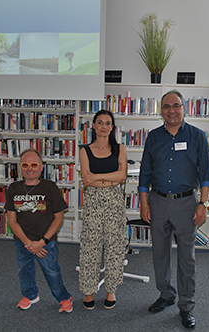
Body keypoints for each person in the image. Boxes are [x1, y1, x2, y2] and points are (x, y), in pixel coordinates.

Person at [138, 90, 209, 329]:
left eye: (176, 106)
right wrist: (143, 203)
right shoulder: (153, 137)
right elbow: (144, 173)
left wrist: (203, 204)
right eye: (166, 107)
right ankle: (166, 295)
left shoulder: (197, 136)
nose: (171, 110)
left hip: (186, 204)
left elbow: (206, 174)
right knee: (159, 253)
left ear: (184, 108)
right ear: (161, 111)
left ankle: (186, 306)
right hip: (157, 201)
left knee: (186, 258)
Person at [4, 148, 73, 313]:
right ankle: (30, 295)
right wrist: (28, 243)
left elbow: (58, 218)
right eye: (25, 164)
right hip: (23, 241)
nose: (30, 168)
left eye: (34, 164)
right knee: (24, 269)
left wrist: (42, 242)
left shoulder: (50, 187)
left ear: (41, 167)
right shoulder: (13, 188)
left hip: (46, 242)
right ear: (20, 167)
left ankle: (64, 298)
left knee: (51, 271)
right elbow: (11, 220)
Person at [78, 109, 127, 310]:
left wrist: (97, 178)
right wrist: (110, 177)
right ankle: (88, 292)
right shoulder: (84, 150)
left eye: (108, 123)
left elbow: (122, 176)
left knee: (115, 246)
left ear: (112, 128)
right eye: (100, 122)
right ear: (94, 126)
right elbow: (86, 180)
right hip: (93, 201)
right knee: (91, 247)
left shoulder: (120, 149)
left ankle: (111, 290)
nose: (104, 126)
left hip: (115, 200)